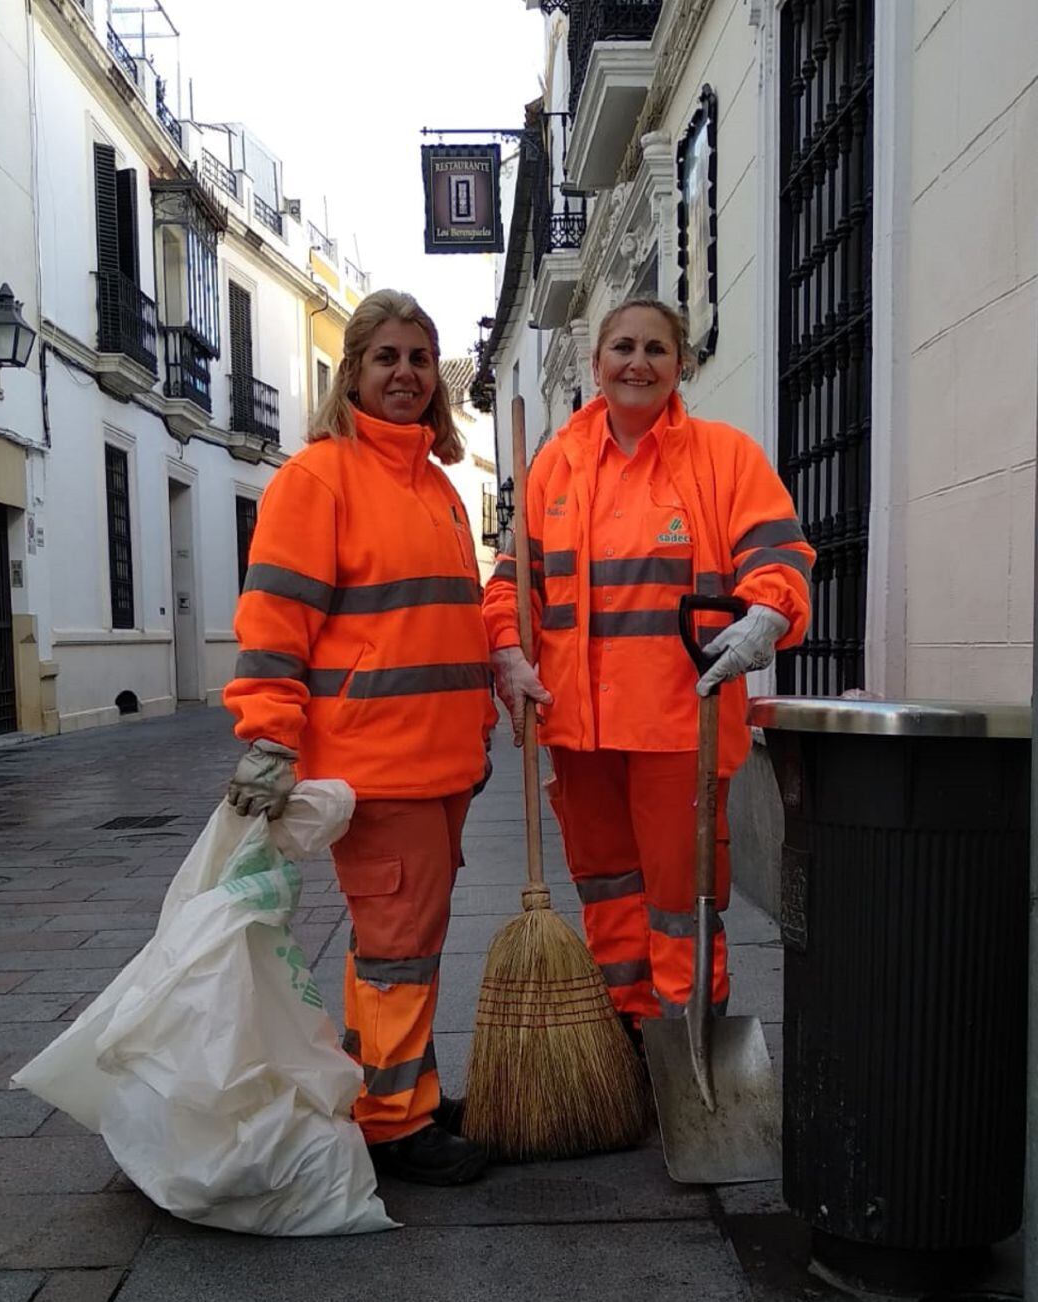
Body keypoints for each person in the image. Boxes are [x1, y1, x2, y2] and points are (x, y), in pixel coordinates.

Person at [482, 297, 813, 1047]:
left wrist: (769, 612)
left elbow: (778, 555)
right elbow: (514, 582)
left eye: (657, 349)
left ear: (681, 365)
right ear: (595, 364)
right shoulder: (554, 467)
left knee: (681, 900)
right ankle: (630, 1038)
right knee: (608, 894)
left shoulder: (724, 457)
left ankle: (690, 1039)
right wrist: (506, 648)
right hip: (579, 726)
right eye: (623, 347)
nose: (638, 362)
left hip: (679, 725)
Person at [223, 289, 496, 1186]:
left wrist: (482, 729)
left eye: (420, 359)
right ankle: (391, 1121)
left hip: (440, 762)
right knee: (396, 944)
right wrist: (268, 736)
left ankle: (403, 1086)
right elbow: (274, 620)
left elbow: (445, 628)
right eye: (387, 359)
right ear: (353, 376)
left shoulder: (440, 489)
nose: (407, 375)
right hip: (378, 764)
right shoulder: (319, 478)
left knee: (408, 938)